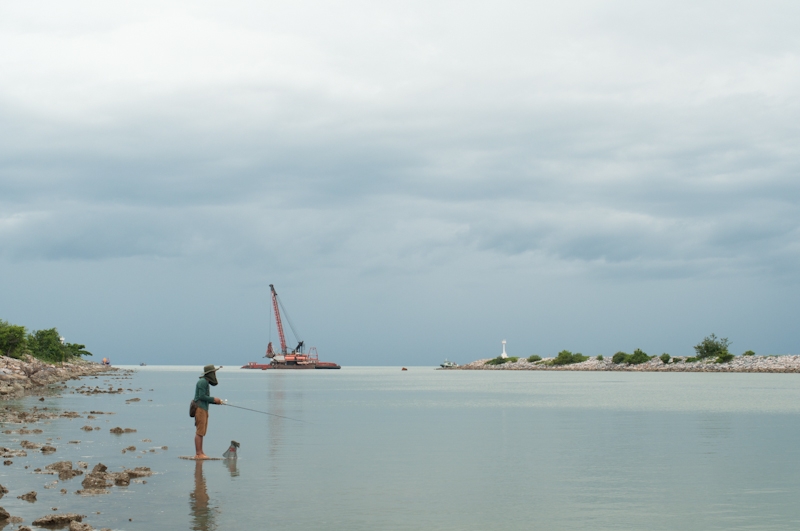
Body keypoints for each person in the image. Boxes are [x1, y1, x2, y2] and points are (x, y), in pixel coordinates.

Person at [194, 364, 223, 459]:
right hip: (200, 409)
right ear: (209, 373)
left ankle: (201, 452)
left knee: (202, 431)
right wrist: (214, 399)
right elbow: (201, 396)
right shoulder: (202, 382)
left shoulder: (205, 382)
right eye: (213, 373)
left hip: (204, 408)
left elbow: (205, 399)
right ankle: (198, 453)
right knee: (199, 431)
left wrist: (217, 402)